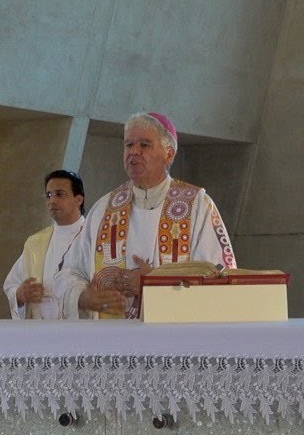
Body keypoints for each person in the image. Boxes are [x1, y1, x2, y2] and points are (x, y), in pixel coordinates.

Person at [57, 111, 237, 319]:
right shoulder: (104, 208)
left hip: (174, 341)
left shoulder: (196, 206)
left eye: (144, 144)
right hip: (112, 343)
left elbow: (221, 276)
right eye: (128, 145)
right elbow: (67, 273)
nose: (133, 151)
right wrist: (83, 297)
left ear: (169, 154)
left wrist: (155, 283)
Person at [2, 170, 86, 319]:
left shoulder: (94, 237)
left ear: (78, 199)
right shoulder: (35, 243)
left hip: (80, 331)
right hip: (41, 331)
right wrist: (20, 295)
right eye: (48, 195)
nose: (52, 200)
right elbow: (11, 285)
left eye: (60, 194)